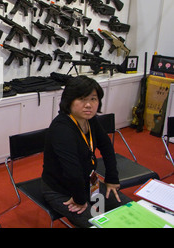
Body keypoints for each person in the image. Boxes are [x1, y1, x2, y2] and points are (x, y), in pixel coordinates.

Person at [41, 75, 131, 227]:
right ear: (69, 101)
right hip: (61, 190)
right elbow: (72, 171)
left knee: (130, 210)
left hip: (89, 182)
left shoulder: (90, 120)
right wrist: (80, 200)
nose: (88, 105)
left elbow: (107, 147)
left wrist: (112, 179)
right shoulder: (61, 129)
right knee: (98, 224)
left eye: (93, 99)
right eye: (82, 99)